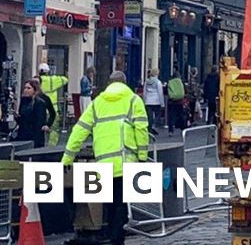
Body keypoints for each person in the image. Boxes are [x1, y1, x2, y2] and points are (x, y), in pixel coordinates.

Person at [62, 71, 148, 245]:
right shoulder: (133, 100)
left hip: (103, 164)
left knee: (109, 203)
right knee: (122, 203)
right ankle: (117, 238)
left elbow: (79, 130)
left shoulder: (97, 103)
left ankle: (111, 234)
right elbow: (141, 129)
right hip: (125, 162)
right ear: (125, 83)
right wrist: (143, 156)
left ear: (109, 83)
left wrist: (67, 157)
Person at [14, 80, 55, 148]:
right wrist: (16, 116)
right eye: (25, 88)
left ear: (35, 90)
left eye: (29, 88)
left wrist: (47, 125)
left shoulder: (40, 103)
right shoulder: (23, 100)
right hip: (22, 134)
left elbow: (40, 121)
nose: (26, 90)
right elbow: (22, 120)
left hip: (34, 136)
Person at [37, 62, 68, 145]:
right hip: (53, 110)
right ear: (48, 71)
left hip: (39, 110)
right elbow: (65, 79)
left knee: (39, 129)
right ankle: (51, 147)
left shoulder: (36, 80)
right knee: (54, 130)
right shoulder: (53, 80)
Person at [143, 69, 165, 135]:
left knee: (149, 116)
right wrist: (162, 103)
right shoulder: (158, 82)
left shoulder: (146, 82)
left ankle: (149, 128)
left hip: (148, 101)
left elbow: (144, 92)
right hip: (156, 101)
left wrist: (144, 100)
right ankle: (154, 125)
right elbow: (160, 93)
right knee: (157, 114)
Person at [166, 69, 185, 134]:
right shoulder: (181, 82)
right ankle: (183, 129)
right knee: (181, 115)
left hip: (171, 102)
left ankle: (171, 130)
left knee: (171, 116)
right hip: (180, 101)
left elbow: (166, 91)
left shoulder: (170, 82)